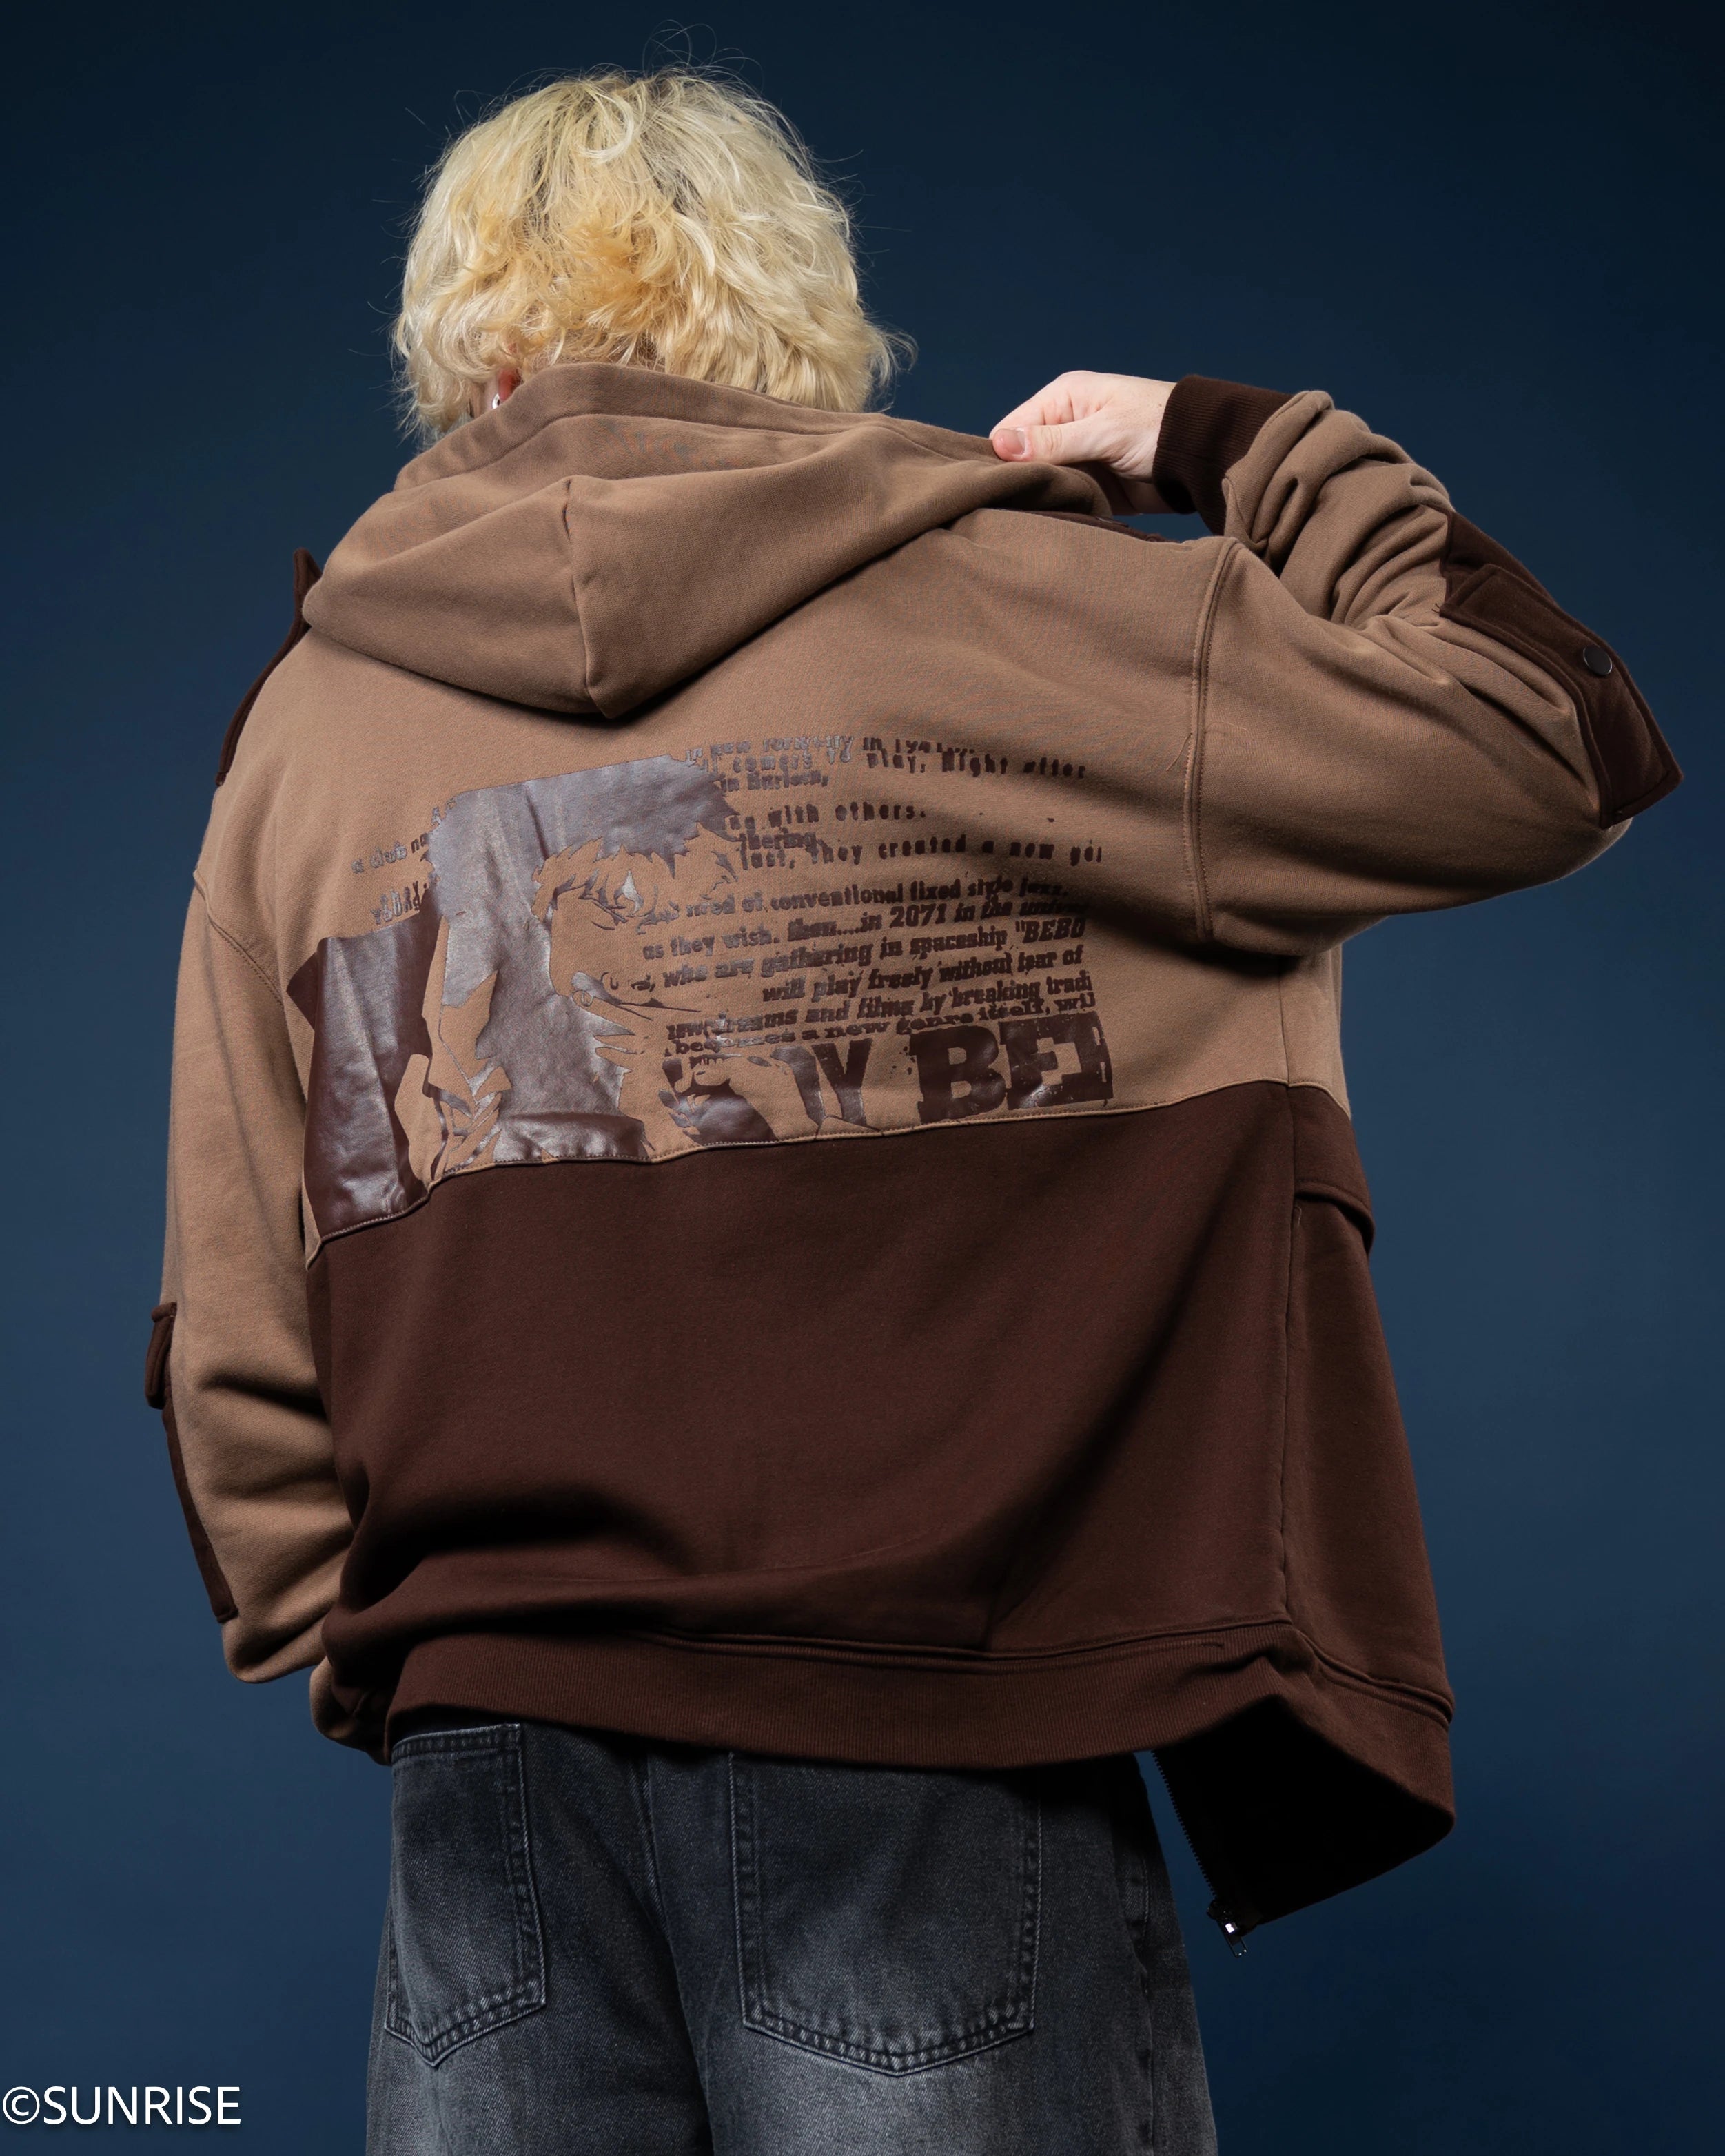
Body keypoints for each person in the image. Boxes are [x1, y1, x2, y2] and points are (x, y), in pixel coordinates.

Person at [145, 65, 1679, 2156]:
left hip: (491, 1759)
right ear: (792, 321)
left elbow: (235, 1323)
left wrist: (436, 1658)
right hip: (935, 1718)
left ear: (465, 346)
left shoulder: (304, 729)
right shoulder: (1020, 611)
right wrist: (1226, 440)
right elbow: (1548, 736)